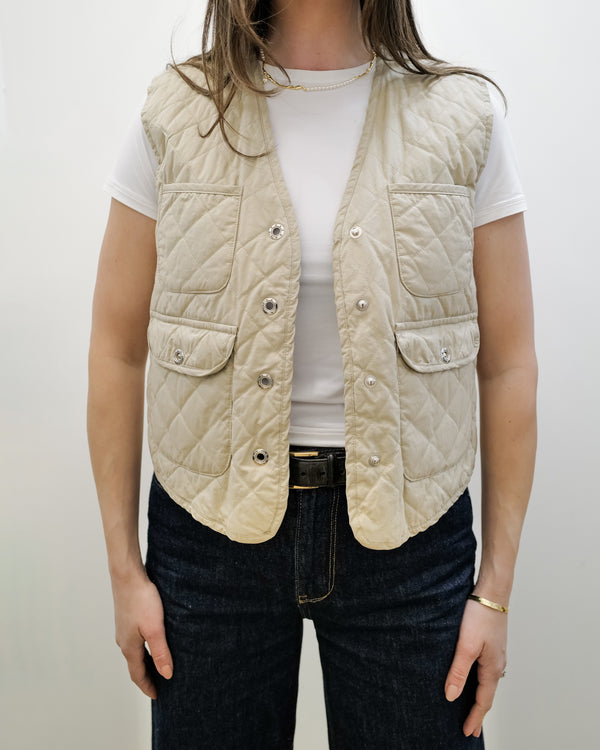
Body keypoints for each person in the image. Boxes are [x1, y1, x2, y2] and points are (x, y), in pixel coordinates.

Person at [87, 0, 538, 747]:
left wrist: (494, 594)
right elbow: (116, 348)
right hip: (208, 541)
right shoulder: (178, 111)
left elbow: (509, 364)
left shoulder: (463, 118)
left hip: (411, 544)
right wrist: (124, 572)